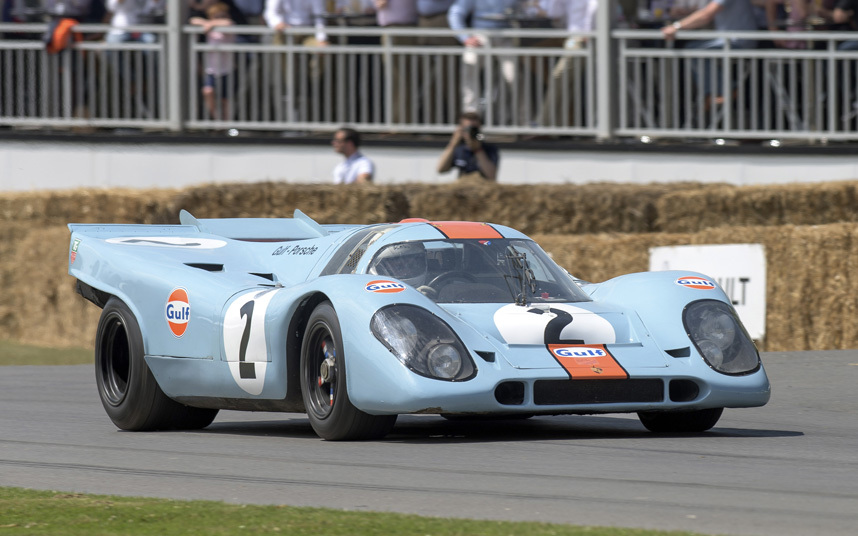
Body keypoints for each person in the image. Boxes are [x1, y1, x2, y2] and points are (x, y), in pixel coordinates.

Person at [661, 0, 758, 100]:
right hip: (729, 41)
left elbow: (706, 15)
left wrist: (676, 27)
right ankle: (713, 92)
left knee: (695, 52)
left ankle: (724, 90)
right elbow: (704, 13)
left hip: (737, 43)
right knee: (691, 48)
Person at [447, 0, 520, 118]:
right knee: (470, 63)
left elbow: (524, 11)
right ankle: (470, 116)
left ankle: (524, 121)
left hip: (506, 36)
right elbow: (456, 13)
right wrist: (465, 38)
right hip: (480, 35)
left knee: (513, 76)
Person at [537, 0, 598, 127]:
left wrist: (587, 32)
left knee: (560, 77)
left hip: (583, 39)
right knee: (564, 80)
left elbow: (594, 11)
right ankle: (556, 124)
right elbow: (554, 13)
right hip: (577, 38)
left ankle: (545, 124)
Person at [190, 2, 236, 120]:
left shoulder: (228, 27)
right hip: (211, 69)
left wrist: (210, 23)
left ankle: (226, 122)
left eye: (222, 15)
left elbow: (228, 23)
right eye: (216, 16)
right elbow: (193, 20)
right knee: (208, 91)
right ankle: (216, 119)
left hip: (226, 68)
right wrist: (208, 23)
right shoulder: (210, 28)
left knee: (225, 98)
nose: (220, 18)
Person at [437, 111, 499, 182]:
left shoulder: (489, 148)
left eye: (474, 129)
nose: (471, 133)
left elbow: (491, 176)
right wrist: (453, 143)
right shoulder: (459, 148)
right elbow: (440, 169)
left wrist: (477, 150)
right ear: (461, 130)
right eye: (468, 129)